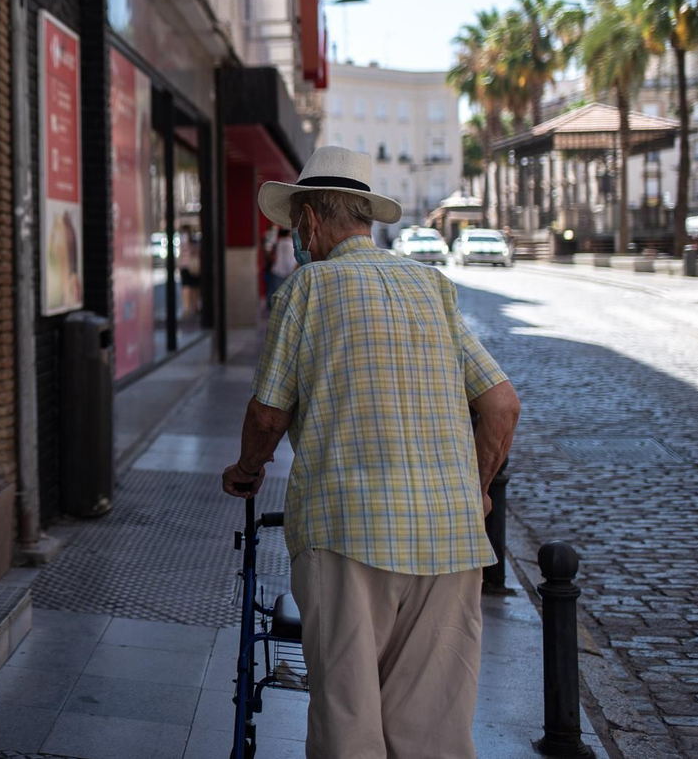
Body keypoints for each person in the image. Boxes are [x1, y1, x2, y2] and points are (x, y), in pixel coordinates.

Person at [221, 146, 520, 759]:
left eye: (294, 228)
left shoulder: (306, 288)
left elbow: (267, 413)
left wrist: (247, 471)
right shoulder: (432, 286)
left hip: (347, 531)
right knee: (434, 734)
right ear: (365, 217)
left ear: (308, 224)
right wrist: (478, 489)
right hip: (451, 538)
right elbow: (501, 406)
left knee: (349, 726)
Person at [263, 225, 297, 309]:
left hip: (277, 271)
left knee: (277, 297)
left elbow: (269, 254)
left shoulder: (278, 242)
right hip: (290, 272)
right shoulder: (292, 243)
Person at [177, 224, 201, 318]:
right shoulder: (183, 242)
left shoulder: (194, 242)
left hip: (193, 267)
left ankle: (194, 307)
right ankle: (187, 308)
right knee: (187, 287)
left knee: (194, 287)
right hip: (185, 267)